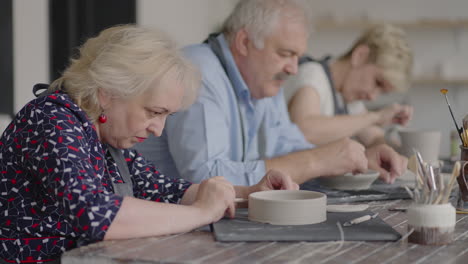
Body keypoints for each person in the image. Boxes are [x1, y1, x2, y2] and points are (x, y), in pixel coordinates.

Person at [0, 25, 298, 263]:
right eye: (154, 113)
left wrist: (249, 193)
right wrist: (202, 213)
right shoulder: (52, 120)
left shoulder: (103, 137)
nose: (158, 129)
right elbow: (93, 214)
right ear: (107, 93)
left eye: (167, 116)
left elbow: (163, 189)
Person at [137, 0, 407, 188]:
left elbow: (287, 146)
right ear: (244, 43)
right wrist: (317, 160)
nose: (293, 68)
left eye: (297, 57)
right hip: (161, 227)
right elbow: (206, 177)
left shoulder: (264, 82)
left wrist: (356, 157)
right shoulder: (199, 72)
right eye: (285, 53)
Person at [284, 24, 413, 147]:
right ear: (360, 56)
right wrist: (376, 117)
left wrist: (403, 149)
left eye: (382, 92)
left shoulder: (347, 97)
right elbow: (305, 130)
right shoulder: (312, 74)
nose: (372, 97)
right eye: (377, 82)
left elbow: (374, 138)